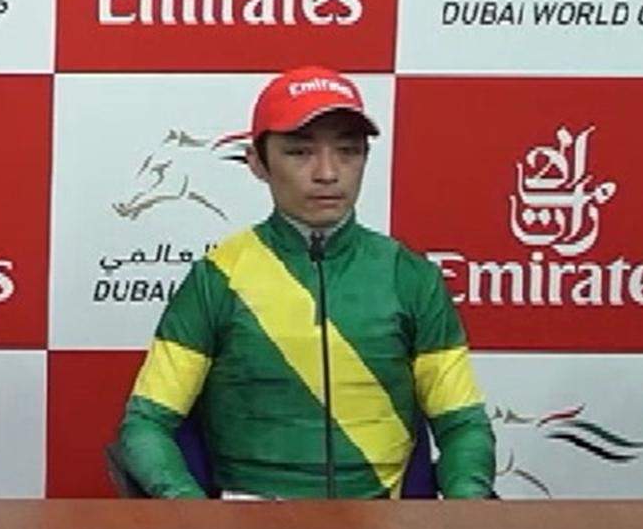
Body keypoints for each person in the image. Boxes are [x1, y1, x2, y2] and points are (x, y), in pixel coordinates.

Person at [117, 65, 495, 499]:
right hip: (246, 526)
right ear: (257, 163)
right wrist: (194, 516)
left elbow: (463, 425)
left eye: (348, 151)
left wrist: (466, 512)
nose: (328, 173)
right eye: (300, 152)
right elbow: (145, 425)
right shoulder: (216, 278)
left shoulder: (412, 277)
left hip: (382, 527)